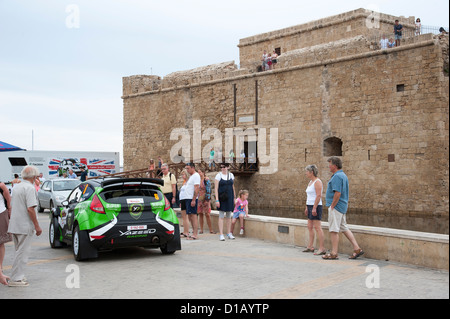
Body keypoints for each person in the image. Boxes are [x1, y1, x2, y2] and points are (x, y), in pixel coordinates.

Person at [322, 157, 364, 260]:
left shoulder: (337, 176)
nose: (329, 166)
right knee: (343, 227)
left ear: (335, 166)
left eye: (330, 164)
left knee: (333, 230)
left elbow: (338, 192)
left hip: (336, 206)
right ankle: (357, 248)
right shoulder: (343, 175)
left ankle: (334, 252)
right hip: (341, 206)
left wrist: (332, 205)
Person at [7, 165, 43, 287]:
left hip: (15, 224)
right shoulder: (30, 188)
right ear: (33, 177)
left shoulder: (17, 187)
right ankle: (16, 278)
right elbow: (30, 209)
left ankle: (17, 275)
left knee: (18, 251)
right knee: (23, 252)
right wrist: (37, 226)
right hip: (24, 225)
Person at [303, 165, 325, 255]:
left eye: (307, 172)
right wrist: (306, 207)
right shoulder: (310, 182)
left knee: (317, 227)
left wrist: (314, 207)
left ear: (311, 172)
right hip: (310, 205)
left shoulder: (317, 182)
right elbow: (309, 196)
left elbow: (318, 195)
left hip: (316, 206)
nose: (306, 173)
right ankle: (310, 246)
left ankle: (322, 248)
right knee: (309, 226)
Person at [214, 163, 236, 241]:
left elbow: (233, 187)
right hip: (222, 198)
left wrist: (234, 197)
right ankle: (221, 234)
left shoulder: (231, 175)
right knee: (221, 216)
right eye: (221, 167)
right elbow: (216, 188)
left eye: (224, 167)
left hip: (229, 197)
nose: (222, 168)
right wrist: (217, 200)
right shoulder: (218, 176)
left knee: (229, 216)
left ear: (228, 167)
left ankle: (229, 233)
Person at [0, 181, 12, 285]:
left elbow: (7, 196)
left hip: (1, 213)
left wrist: (9, 209)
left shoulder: (1, 185)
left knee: (1, 242)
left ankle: (0, 267)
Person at [184, 163, 200, 240]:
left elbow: (197, 188)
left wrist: (194, 199)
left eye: (188, 168)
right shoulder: (191, 176)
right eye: (186, 168)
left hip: (191, 198)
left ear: (193, 168)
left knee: (193, 216)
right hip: (188, 198)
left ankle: (195, 234)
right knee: (190, 216)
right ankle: (193, 232)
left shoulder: (196, 176)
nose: (187, 170)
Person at [197, 168, 213, 234]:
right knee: (200, 213)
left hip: (205, 198)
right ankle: (201, 229)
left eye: (200, 172)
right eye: (198, 172)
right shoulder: (197, 180)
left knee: (207, 214)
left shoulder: (206, 180)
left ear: (203, 172)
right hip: (199, 198)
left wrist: (207, 199)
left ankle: (211, 229)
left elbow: (209, 190)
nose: (199, 174)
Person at [178, 169, 191, 238]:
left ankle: (186, 232)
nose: (183, 176)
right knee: (184, 217)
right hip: (182, 200)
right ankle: (185, 231)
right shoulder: (184, 182)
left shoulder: (189, 182)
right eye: (182, 174)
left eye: (184, 174)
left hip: (186, 200)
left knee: (186, 217)